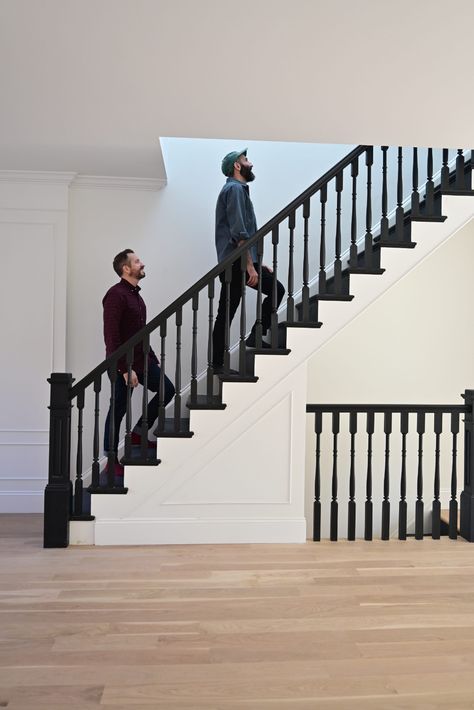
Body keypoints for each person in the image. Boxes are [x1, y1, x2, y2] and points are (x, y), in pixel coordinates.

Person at [212, 149, 285, 373]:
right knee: (228, 311)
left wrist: (256, 262)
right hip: (235, 261)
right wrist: (249, 266)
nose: (250, 163)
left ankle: (254, 335)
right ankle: (219, 363)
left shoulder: (238, 190)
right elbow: (238, 232)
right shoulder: (234, 189)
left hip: (238, 260)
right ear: (237, 165)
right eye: (245, 160)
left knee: (272, 290)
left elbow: (243, 235)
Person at [102, 249, 175, 474]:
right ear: (126, 268)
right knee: (118, 409)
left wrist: (152, 358)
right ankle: (111, 461)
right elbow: (111, 335)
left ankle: (138, 433)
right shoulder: (115, 295)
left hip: (142, 360)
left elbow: (140, 332)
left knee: (166, 390)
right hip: (122, 364)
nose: (142, 264)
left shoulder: (136, 295)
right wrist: (124, 369)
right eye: (137, 261)